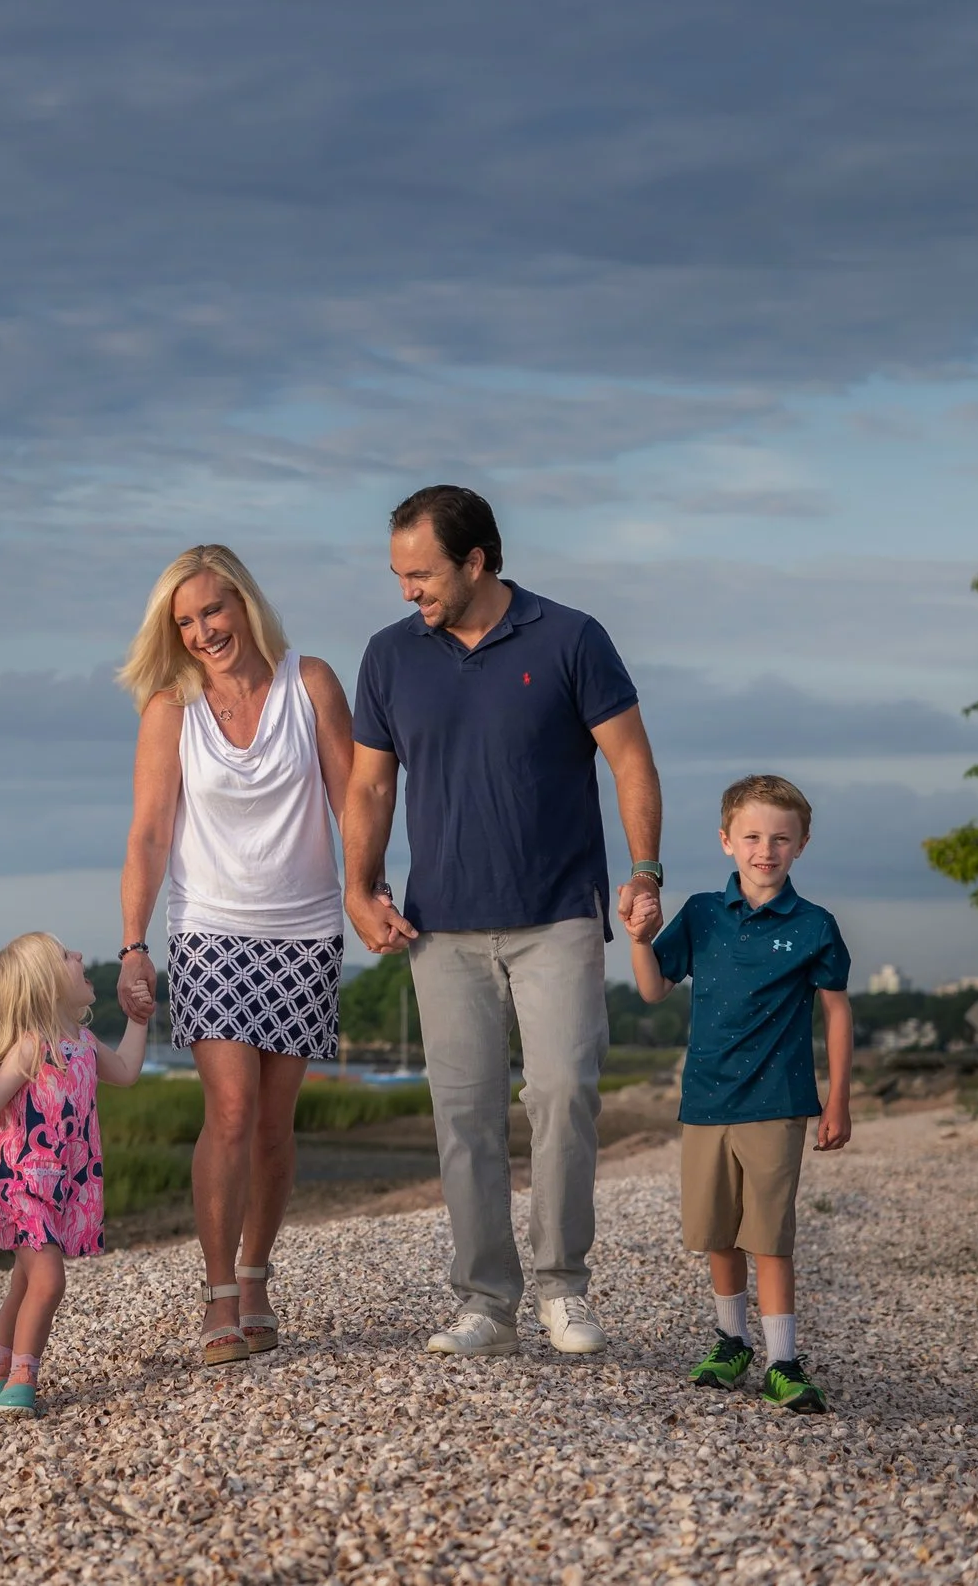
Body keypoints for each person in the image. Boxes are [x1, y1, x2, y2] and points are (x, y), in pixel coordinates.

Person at [342, 485, 664, 1358]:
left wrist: (644, 870)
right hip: (440, 923)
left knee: (562, 1091)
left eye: (423, 572)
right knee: (466, 1114)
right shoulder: (388, 657)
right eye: (400, 574)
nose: (409, 590)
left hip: (557, 911)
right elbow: (371, 783)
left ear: (477, 559)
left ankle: (564, 1287)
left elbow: (630, 758)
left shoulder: (571, 637)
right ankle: (486, 1300)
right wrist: (359, 884)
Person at [115, 545, 355, 1366]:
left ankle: (256, 1275)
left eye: (212, 610)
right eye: (185, 621)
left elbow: (353, 799)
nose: (203, 630)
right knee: (229, 1112)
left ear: (244, 603)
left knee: (275, 1130)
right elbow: (148, 831)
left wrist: (370, 890)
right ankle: (219, 1293)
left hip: (306, 932)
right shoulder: (169, 708)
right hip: (210, 928)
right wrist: (134, 944)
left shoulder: (311, 683)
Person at [629, 774, 852, 1413]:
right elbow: (652, 989)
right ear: (726, 840)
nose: (766, 849)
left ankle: (784, 1360)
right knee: (717, 1233)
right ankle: (732, 1341)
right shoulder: (700, 913)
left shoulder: (814, 926)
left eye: (781, 838)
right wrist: (640, 939)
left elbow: (837, 1012)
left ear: (801, 845)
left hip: (779, 1102)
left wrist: (838, 1100)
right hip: (704, 1101)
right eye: (752, 836)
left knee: (770, 1237)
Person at [0, 931, 150, 1417]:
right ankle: (24, 1375)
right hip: (22, 1180)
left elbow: (125, 1070)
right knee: (48, 1281)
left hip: (69, 1181)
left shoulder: (81, 1041)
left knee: (25, 1282)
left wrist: (138, 1020)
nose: (81, 956)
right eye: (67, 955)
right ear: (44, 985)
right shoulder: (30, 1048)